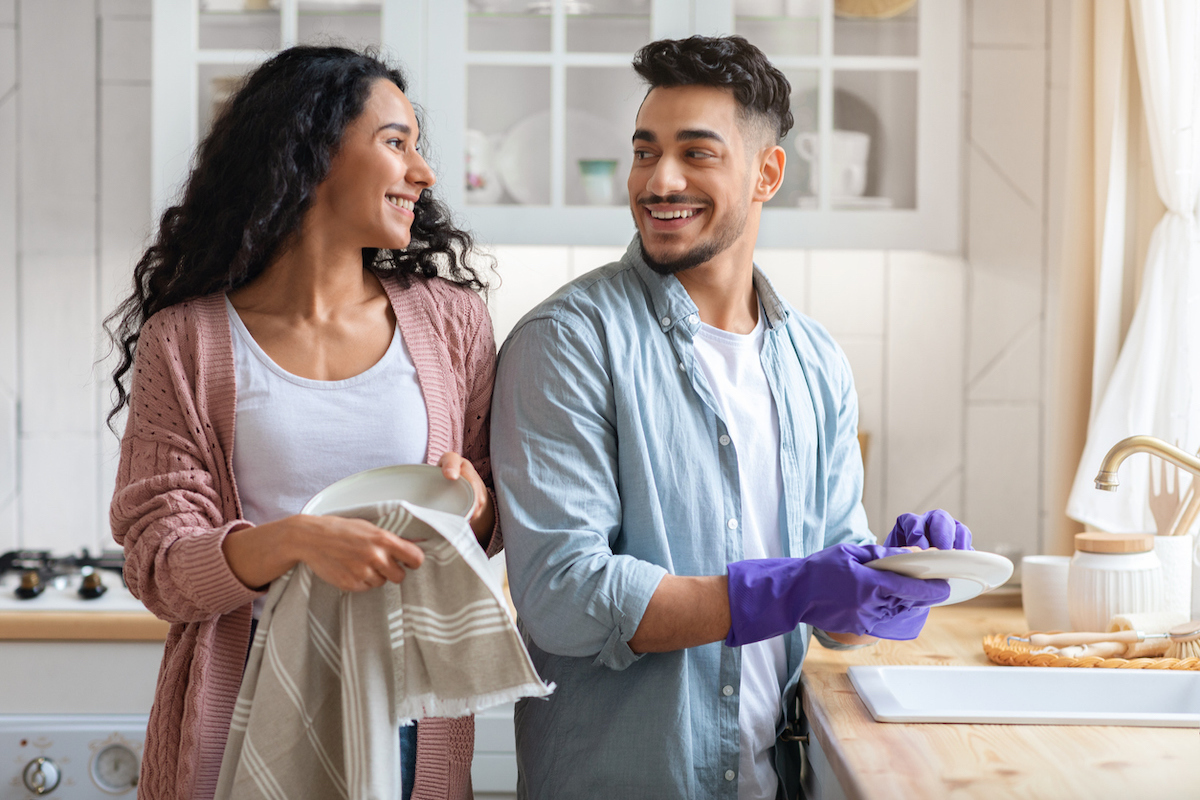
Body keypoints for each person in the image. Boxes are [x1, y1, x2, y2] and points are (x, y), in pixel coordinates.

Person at [490, 35, 972, 800]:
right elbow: (564, 597)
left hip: (770, 780)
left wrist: (894, 577)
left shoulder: (814, 362)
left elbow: (836, 614)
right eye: (645, 152)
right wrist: (784, 591)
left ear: (766, 173)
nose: (659, 180)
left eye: (696, 153)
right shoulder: (570, 343)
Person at [107, 47, 498, 800]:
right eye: (396, 143)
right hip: (249, 683)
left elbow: (491, 516)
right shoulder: (186, 340)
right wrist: (291, 542)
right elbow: (157, 561)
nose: (424, 172)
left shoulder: (452, 322)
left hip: (406, 691)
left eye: (418, 146)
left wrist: (476, 502)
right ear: (311, 150)